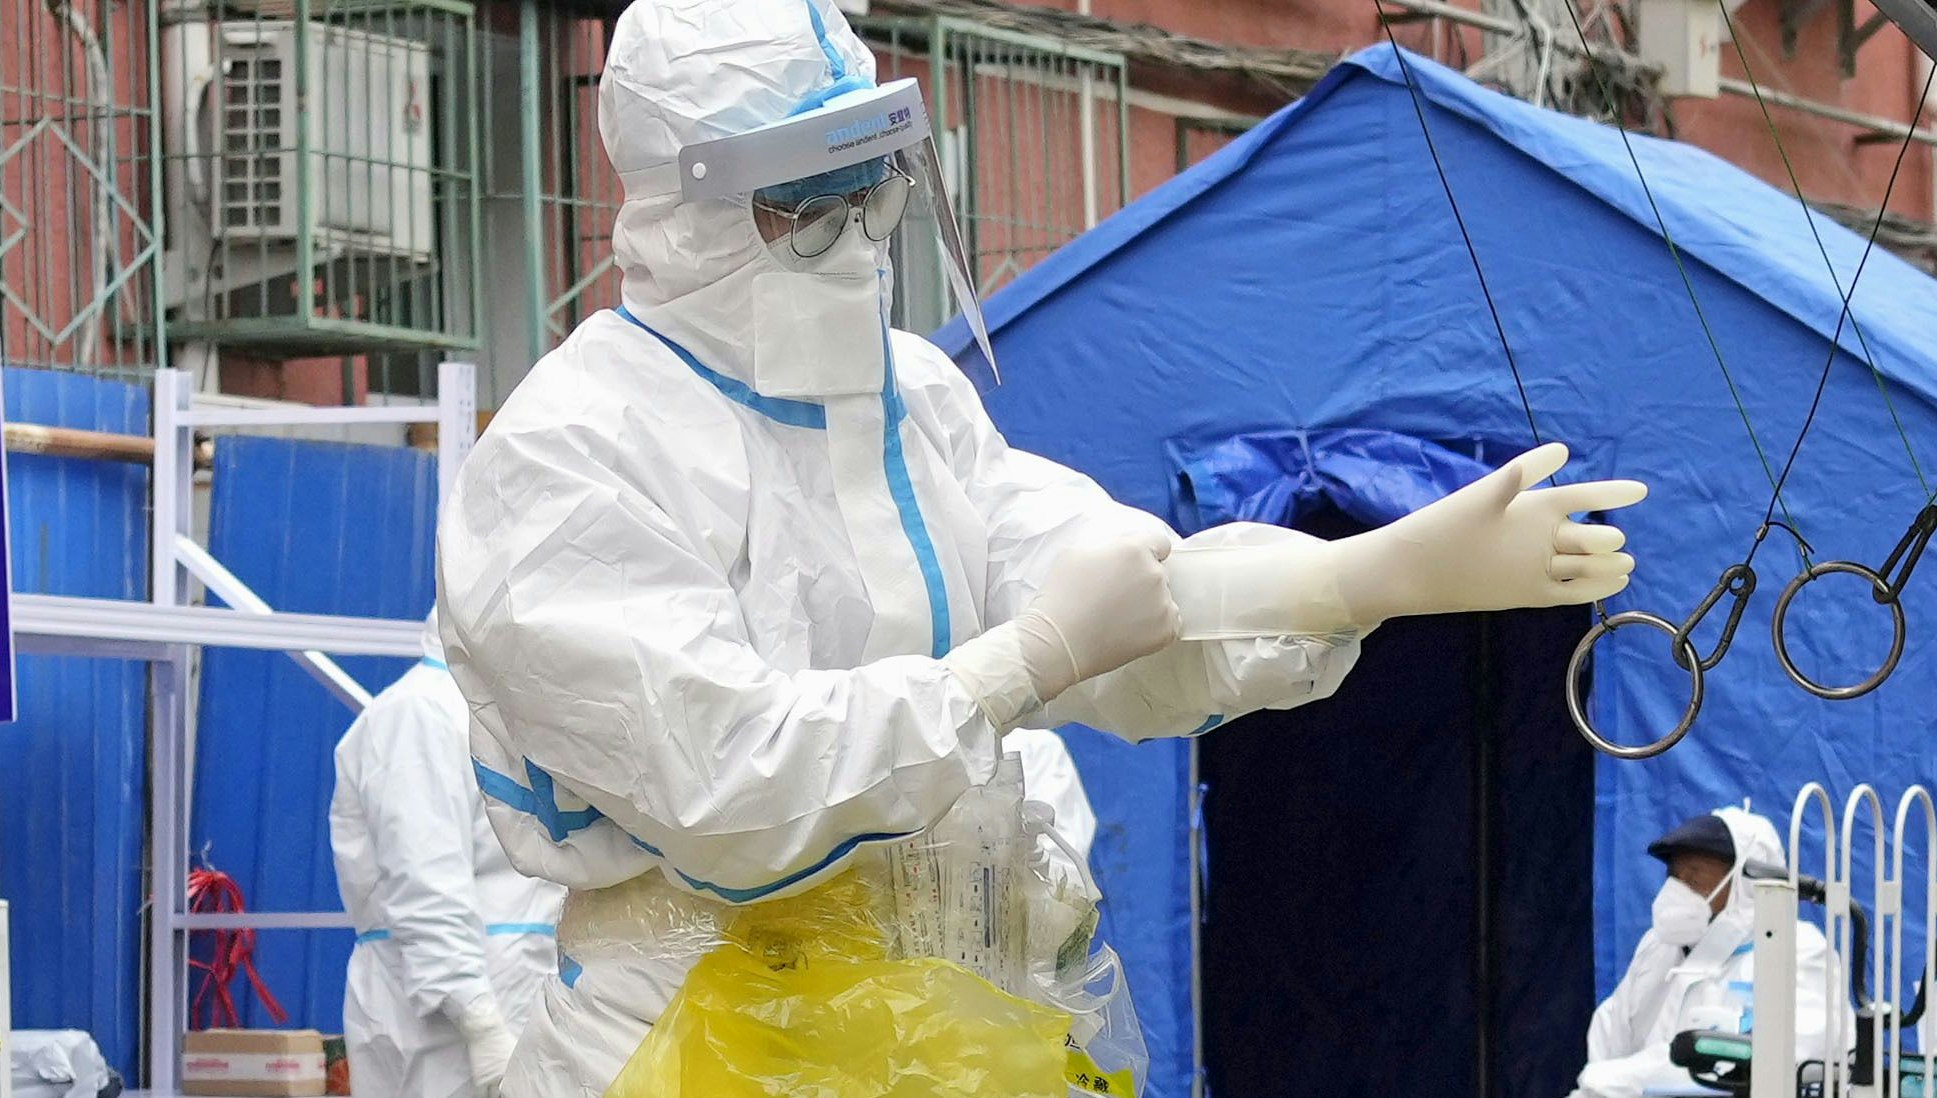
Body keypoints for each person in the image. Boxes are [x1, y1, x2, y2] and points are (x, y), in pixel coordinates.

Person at [433, 2, 1647, 1094]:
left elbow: (1104, 585)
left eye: (874, 179)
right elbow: (730, 785)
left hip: (960, 1031)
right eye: (804, 200)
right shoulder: (574, 453)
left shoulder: (906, 396)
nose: (859, 235)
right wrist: (1020, 664)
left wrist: (1361, 577)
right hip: (687, 1046)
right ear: (683, 208)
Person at [329, 611, 567, 1098]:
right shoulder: (419, 716)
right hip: (445, 1022)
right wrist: (480, 1022)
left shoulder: (498, 720)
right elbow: (425, 884)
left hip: (512, 995)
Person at [1570, 806, 1847, 1098]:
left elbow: (1780, 1059)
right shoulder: (1659, 947)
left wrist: (1618, 1081)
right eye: (1674, 877)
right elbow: (1611, 1034)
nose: (1675, 892)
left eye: (1693, 879)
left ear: (1745, 884)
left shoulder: (1795, 950)